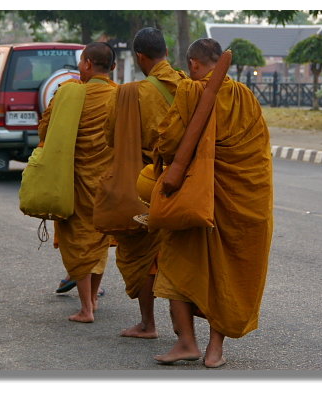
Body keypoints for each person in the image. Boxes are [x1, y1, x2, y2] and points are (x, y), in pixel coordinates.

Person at [151, 38, 273, 368]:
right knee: (227, 273)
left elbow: (170, 140)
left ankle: (187, 342)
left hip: (195, 198)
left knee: (176, 266)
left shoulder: (191, 92)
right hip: (242, 199)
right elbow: (260, 153)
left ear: (193, 64)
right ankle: (214, 350)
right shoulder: (246, 97)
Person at [103, 27, 187, 339]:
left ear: (140, 56)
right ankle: (183, 328)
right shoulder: (187, 85)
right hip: (185, 181)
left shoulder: (130, 93)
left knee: (142, 255)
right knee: (179, 252)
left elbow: (110, 136)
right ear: (165, 51)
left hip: (146, 180)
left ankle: (147, 324)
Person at [37, 42, 117, 323]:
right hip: (108, 180)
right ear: (114, 68)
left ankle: (86, 308)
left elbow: (45, 129)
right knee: (98, 239)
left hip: (77, 179)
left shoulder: (70, 94)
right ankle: (92, 298)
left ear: (86, 64)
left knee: (78, 240)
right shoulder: (119, 96)